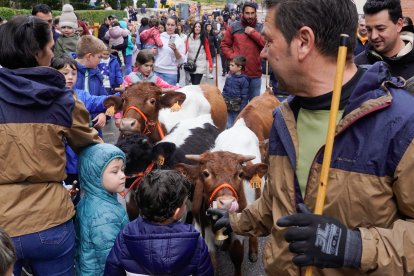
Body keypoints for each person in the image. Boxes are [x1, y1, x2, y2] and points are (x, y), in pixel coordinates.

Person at [207, 0, 414, 275]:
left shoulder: (402, 124)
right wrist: (234, 221)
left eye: (269, 41)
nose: (264, 53)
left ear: (304, 41)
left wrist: (353, 247)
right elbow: (276, 203)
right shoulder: (283, 119)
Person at [0, 16, 101, 276]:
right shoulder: (63, 100)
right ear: (38, 53)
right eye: (51, 47)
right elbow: (91, 144)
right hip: (50, 221)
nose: (53, 53)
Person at [104, 170, 214, 276]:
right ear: (176, 212)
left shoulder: (125, 235)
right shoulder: (195, 241)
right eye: (184, 203)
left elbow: (112, 271)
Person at [51, 55, 119, 189]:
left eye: (74, 73)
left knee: (77, 188)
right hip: (55, 156)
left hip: (75, 156)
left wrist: (117, 98)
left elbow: (98, 101)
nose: (70, 77)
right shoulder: (48, 95)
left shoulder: (81, 95)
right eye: (65, 73)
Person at [75, 143, 128, 275]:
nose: (122, 175)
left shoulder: (90, 200)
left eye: (123, 169)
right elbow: (110, 259)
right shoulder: (105, 215)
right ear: (94, 176)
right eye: (115, 172)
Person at [355, 0, 414, 80]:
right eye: (369, 29)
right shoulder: (358, 65)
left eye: (380, 29)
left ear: (399, 25)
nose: (373, 36)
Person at [221, 2, 265, 100]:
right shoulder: (233, 27)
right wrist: (234, 58)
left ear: (255, 13)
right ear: (242, 13)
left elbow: (266, 44)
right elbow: (224, 45)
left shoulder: (261, 27)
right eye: (247, 13)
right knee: (237, 107)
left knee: (253, 108)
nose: (250, 16)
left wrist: (253, 33)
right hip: (237, 74)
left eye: (252, 13)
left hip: (255, 75)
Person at [74, 35, 108, 136]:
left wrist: (104, 114)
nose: (101, 60)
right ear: (89, 56)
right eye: (99, 57)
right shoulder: (69, 73)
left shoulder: (97, 75)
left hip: (94, 130)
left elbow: (108, 101)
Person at [154, 17, 186, 85]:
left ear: (176, 26)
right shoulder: (159, 37)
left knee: (169, 95)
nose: (170, 27)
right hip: (157, 71)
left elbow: (181, 60)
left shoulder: (179, 40)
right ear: (165, 25)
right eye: (168, 24)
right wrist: (152, 51)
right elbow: (154, 54)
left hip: (170, 73)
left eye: (172, 25)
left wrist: (175, 50)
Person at [222, 56, 250, 128]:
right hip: (227, 104)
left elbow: (244, 96)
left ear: (239, 67)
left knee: (235, 122)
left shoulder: (243, 80)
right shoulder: (229, 77)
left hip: (237, 107)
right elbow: (225, 90)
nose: (230, 66)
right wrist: (222, 99)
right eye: (230, 65)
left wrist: (242, 109)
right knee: (228, 122)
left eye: (232, 65)